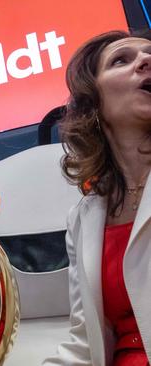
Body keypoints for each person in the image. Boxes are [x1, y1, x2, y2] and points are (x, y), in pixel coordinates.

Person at [44, 30, 151, 365]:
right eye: (121, 60)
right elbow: (84, 345)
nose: (146, 60)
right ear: (93, 104)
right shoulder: (82, 218)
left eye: (149, 54)